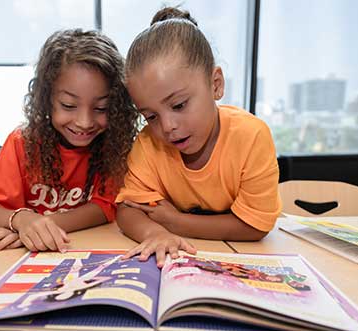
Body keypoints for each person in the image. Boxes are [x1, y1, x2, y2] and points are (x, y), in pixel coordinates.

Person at [116, 7, 281, 267]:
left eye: (179, 105)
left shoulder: (251, 137)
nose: (167, 126)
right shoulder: (148, 143)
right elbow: (127, 210)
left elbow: (255, 227)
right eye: (151, 116)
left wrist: (176, 222)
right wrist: (155, 233)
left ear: (215, 85)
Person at [0, 29, 139, 252]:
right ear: (46, 99)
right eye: (69, 105)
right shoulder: (23, 143)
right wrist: (22, 221)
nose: (85, 122)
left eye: (101, 108)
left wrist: (39, 228)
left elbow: (105, 208)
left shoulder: (115, 146)